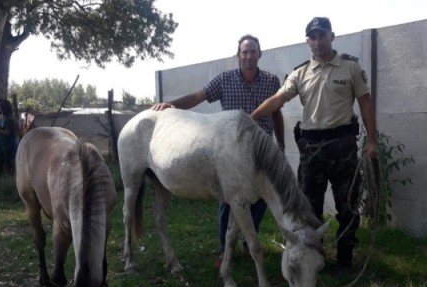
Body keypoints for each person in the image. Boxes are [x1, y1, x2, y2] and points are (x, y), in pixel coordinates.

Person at [251, 17, 377, 272]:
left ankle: (344, 259)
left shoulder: (350, 67)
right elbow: (278, 99)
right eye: (313, 37)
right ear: (307, 41)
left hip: (343, 148)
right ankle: (313, 257)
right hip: (311, 151)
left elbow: (365, 102)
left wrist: (371, 141)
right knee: (308, 210)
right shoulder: (300, 73)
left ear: (332, 36)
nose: (317, 42)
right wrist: (250, 118)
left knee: (348, 206)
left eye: (322, 36)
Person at [152, 34, 285, 268]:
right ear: (238, 56)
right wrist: (172, 105)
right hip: (230, 153)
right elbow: (197, 96)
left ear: (259, 54)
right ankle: (226, 249)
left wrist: (281, 145)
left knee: (262, 198)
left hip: (261, 150)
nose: (248, 56)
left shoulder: (271, 81)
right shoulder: (225, 80)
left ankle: (246, 241)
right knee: (229, 202)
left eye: (253, 51)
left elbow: (276, 113)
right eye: (244, 52)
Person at [0, 99, 17, 176]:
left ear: (3, 108)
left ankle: (10, 180)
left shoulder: (9, 120)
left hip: (8, 145)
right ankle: (0, 180)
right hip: (2, 145)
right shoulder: (2, 118)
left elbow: (7, 133)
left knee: (9, 164)